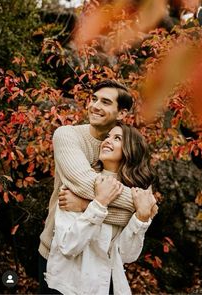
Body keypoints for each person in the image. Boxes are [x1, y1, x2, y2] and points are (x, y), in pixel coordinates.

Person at [38, 79, 138, 293]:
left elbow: (132, 222)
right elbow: (85, 185)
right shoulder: (67, 135)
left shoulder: (126, 148)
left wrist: (84, 205)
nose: (95, 106)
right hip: (58, 250)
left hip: (98, 264)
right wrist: (138, 204)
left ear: (122, 113)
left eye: (105, 102)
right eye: (94, 99)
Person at [45, 122, 158, 295]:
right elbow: (68, 246)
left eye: (117, 138)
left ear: (131, 149)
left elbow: (126, 255)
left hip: (108, 286)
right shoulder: (79, 184)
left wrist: (141, 218)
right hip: (70, 287)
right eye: (107, 136)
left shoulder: (136, 195)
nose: (107, 140)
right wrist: (98, 203)